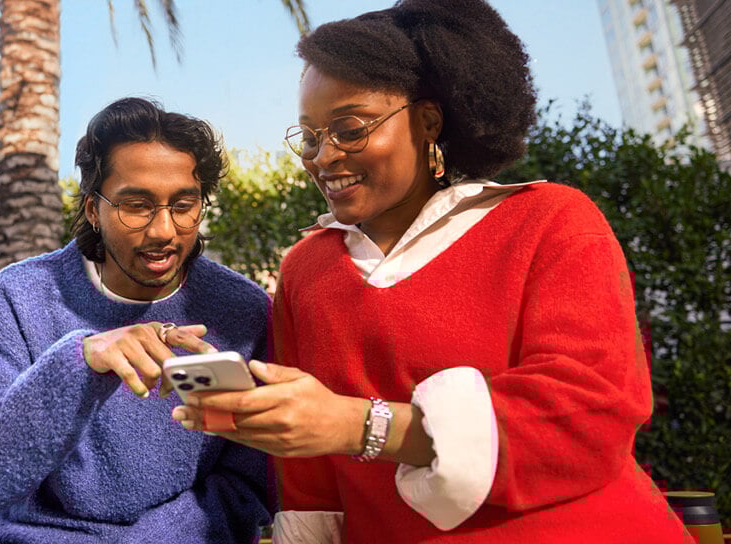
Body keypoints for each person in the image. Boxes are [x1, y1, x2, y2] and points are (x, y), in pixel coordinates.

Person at [171, 1, 692, 542]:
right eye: (309, 136)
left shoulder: (549, 220)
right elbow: (312, 484)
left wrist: (359, 425)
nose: (323, 156)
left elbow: (589, 412)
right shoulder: (306, 268)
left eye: (348, 128)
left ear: (428, 122)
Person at [0, 97, 272, 543]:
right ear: (93, 209)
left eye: (184, 205)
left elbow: (250, 483)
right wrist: (78, 362)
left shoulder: (238, 311)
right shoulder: (21, 298)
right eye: (136, 205)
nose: (164, 230)